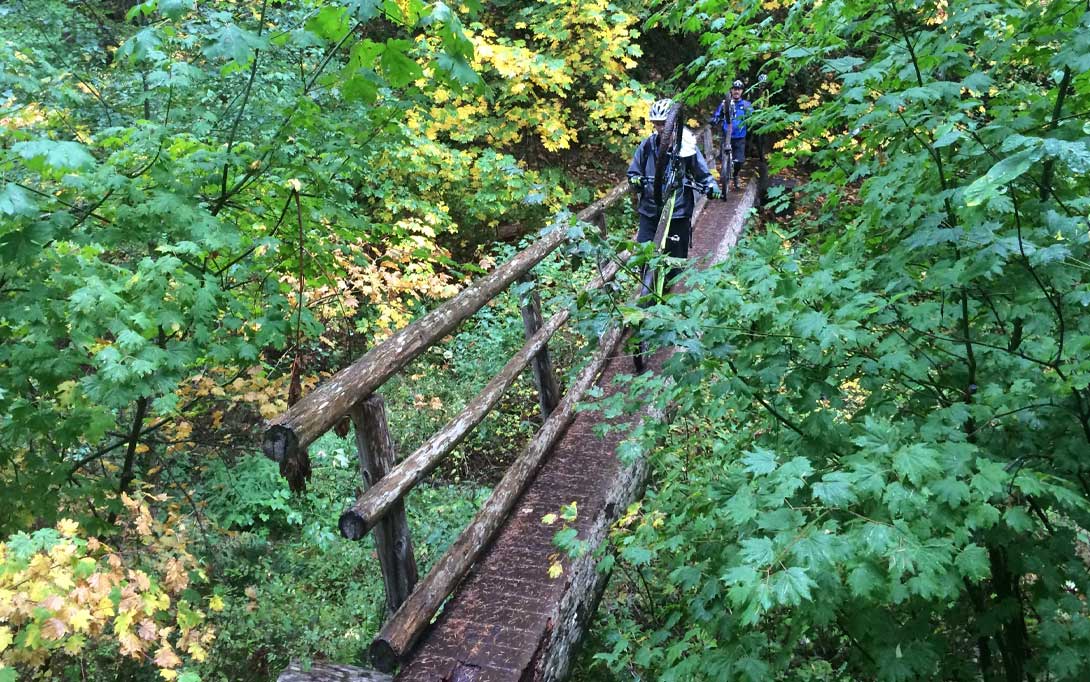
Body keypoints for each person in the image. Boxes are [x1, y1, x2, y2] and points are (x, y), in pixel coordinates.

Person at [627, 98, 720, 265]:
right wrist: (635, 180)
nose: (661, 128)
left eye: (664, 123)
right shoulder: (647, 145)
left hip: (678, 211)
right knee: (642, 257)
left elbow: (702, 173)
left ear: (673, 123)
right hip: (650, 209)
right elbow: (634, 171)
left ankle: (673, 287)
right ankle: (645, 284)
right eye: (657, 123)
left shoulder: (687, 146)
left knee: (675, 261)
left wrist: (711, 186)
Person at [712, 80, 753, 190]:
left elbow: (753, 118)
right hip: (727, 135)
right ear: (731, 90)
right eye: (735, 89)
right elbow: (717, 115)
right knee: (723, 157)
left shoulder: (746, 105)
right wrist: (715, 119)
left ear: (742, 91)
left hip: (740, 137)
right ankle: (724, 177)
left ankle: (735, 175)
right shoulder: (725, 103)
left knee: (739, 161)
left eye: (739, 89)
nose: (736, 91)